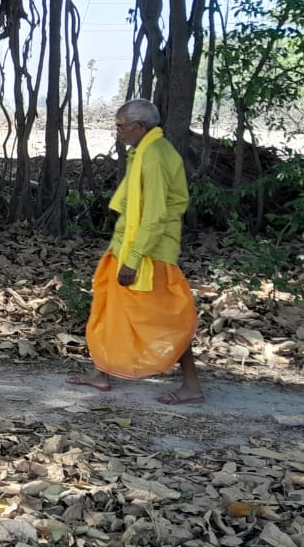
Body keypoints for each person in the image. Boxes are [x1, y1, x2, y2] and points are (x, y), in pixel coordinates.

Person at [68, 98, 202, 404]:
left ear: (140, 127)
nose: (118, 132)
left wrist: (133, 260)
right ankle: (101, 373)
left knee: (167, 318)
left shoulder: (154, 156)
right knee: (110, 310)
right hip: (129, 246)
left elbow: (154, 215)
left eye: (121, 126)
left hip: (148, 253)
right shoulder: (145, 152)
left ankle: (192, 386)